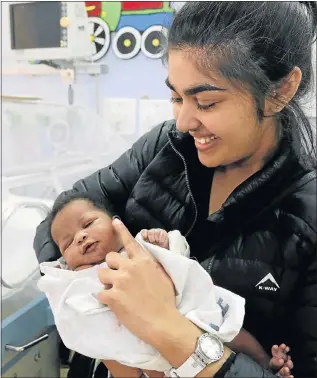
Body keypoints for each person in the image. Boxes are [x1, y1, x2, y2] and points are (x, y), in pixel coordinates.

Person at [34, 2, 317, 377]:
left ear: (281, 90)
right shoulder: (166, 148)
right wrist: (96, 266)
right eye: (176, 97)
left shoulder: (306, 216)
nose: (183, 121)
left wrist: (166, 326)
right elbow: (61, 219)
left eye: (206, 102)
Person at [39, 192, 292, 378]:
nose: (81, 237)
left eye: (87, 224)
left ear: (116, 224)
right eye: (68, 243)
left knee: (237, 334)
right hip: (144, 346)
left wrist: (162, 244)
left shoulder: (138, 244)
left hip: (191, 313)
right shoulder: (79, 282)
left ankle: (267, 365)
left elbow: (180, 256)